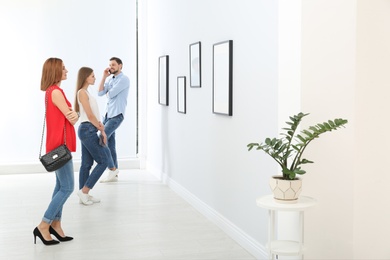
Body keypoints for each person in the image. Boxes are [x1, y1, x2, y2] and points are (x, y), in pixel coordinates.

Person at [34, 57, 78, 245]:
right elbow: (72, 118)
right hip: (60, 146)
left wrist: (73, 113)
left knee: (60, 186)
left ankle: (56, 224)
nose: (66, 71)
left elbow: (70, 115)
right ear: (55, 72)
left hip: (56, 144)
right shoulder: (56, 92)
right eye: (63, 68)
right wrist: (75, 113)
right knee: (68, 187)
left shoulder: (50, 92)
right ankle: (44, 224)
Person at [74, 67, 118, 205]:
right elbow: (90, 115)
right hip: (87, 129)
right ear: (86, 77)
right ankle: (84, 191)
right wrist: (102, 130)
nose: (94, 78)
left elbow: (93, 116)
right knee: (104, 160)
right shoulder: (82, 92)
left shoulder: (86, 92)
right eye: (92, 76)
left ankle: (84, 194)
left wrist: (100, 128)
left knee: (86, 164)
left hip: (89, 129)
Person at [98, 57, 130, 182]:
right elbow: (100, 93)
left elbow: (110, 94)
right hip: (107, 115)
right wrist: (104, 77)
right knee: (110, 144)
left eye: (114, 65)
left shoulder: (124, 79)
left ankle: (112, 169)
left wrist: (108, 91)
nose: (111, 67)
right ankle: (114, 173)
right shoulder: (111, 79)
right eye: (110, 65)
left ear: (120, 66)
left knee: (102, 139)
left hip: (116, 115)